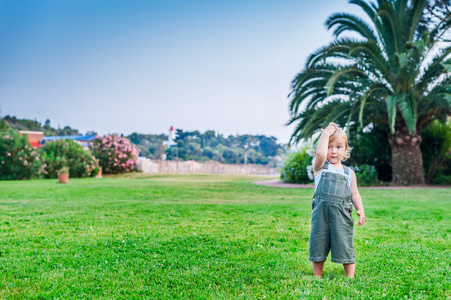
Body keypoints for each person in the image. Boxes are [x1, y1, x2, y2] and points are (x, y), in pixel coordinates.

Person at [309, 122, 365, 278]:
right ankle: (317, 276)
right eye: (329, 146)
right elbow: (320, 155)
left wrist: (360, 208)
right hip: (321, 216)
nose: (333, 151)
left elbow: (354, 193)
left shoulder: (349, 173)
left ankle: (350, 276)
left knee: (345, 242)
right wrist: (326, 133)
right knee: (318, 242)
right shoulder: (320, 168)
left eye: (338, 147)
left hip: (342, 216)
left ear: (345, 150)